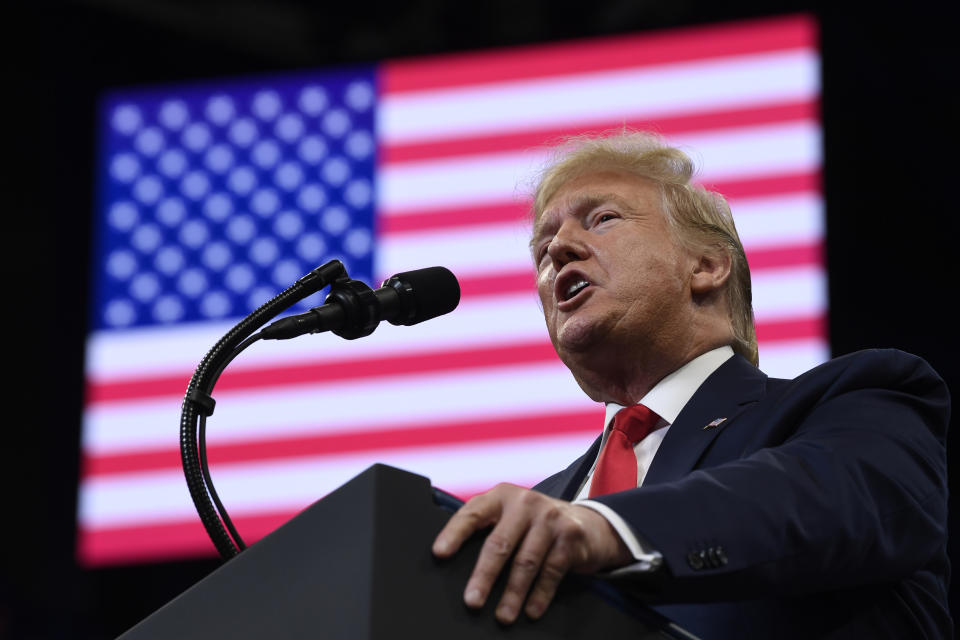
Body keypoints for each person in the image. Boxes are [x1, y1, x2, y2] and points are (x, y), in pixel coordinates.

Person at [431, 131, 951, 638]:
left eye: (603, 219)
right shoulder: (540, 513)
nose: (560, 249)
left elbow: (833, 502)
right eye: (543, 250)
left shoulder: (856, 399)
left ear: (706, 265)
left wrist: (610, 530)